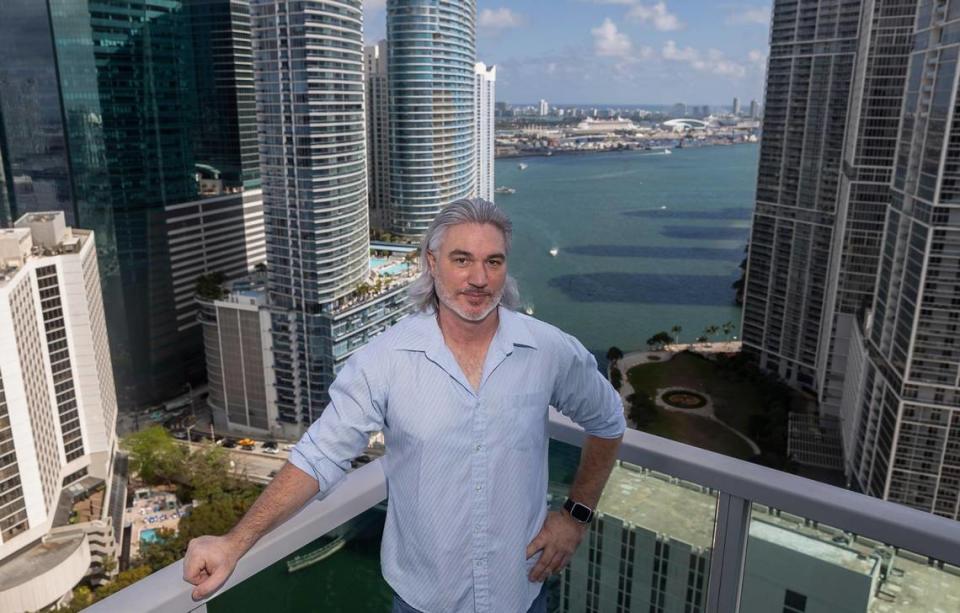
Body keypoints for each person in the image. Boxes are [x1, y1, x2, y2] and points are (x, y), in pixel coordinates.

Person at [183, 199, 625, 612]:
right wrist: (234, 542)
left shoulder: (547, 349)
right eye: (462, 259)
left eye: (493, 261)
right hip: (421, 601)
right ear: (432, 263)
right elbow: (319, 457)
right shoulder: (383, 361)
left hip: (521, 594)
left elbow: (607, 420)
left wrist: (576, 516)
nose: (479, 278)